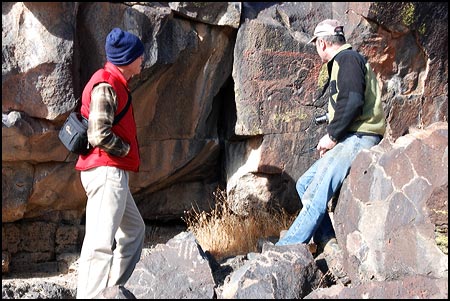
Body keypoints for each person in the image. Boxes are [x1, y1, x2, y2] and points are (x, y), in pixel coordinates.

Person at [276, 19, 386, 282]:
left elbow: (352, 101)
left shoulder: (346, 60)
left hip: (359, 138)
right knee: (305, 184)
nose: (317, 49)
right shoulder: (347, 61)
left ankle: (283, 253)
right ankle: (328, 241)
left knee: (315, 194)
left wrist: (332, 137)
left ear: (322, 43)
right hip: (353, 137)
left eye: (317, 45)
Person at [75, 27, 146, 298]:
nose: (143, 59)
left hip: (112, 172)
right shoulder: (106, 84)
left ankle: (112, 291)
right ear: (127, 58)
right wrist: (126, 149)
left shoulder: (116, 82)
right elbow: (98, 133)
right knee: (99, 244)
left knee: (134, 231)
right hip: (106, 172)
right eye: (139, 55)